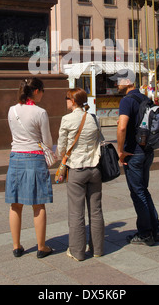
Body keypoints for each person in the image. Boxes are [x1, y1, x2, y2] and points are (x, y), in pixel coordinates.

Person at [110, 69, 159, 246]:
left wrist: (120, 150)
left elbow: (122, 127)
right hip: (148, 150)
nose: (116, 84)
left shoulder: (126, 100)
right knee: (143, 190)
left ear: (127, 82)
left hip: (134, 152)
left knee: (138, 193)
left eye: (118, 80)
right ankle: (155, 229)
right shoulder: (145, 98)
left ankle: (145, 233)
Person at [5, 77, 53, 258]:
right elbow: (47, 141)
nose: (43, 94)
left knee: (15, 204)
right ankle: (42, 247)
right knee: (38, 203)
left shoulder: (12, 110)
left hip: (16, 156)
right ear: (36, 91)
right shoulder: (40, 112)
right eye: (42, 90)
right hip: (34, 157)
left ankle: (16, 246)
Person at [57, 88, 105, 261]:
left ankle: (77, 251)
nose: (66, 101)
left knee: (76, 212)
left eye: (67, 98)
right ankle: (98, 248)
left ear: (73, 101)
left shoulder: (67, 119)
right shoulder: (94, 118)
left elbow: (61, 146)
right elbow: (100, 140)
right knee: (96, 210)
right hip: (95, 168)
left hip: (77, 169)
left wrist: (61, 158)